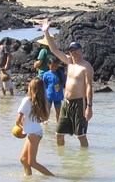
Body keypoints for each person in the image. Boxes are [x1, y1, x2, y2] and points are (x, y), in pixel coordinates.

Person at [39, 18, 94, 147]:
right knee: (58, 134)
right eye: (71, 50)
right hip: (66, 102)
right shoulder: (69, 61)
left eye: (75, 49)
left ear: (81, 50)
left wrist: (89, 107)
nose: (73, 52)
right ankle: (62, 163)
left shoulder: (86, 66)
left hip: (79, 103)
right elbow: (54, 50)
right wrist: (46, 32)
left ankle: (84, 163)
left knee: (80, 135)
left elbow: (89, 87)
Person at [16, 77, 54, 176]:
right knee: (23, 159)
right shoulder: (40, 102)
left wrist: (19, 125)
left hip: (33, 134)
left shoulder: (26, 100)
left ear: (31, 88)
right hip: (35, 132)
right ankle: (28, 180)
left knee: (32, 162)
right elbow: (44, 119)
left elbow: (18, 119)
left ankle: (53, 178)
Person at [42, 56, 66, 122]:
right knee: (47, 112)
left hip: (58, 97)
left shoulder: (61, 74)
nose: (54, 68)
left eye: (56, 66)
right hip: (48, 96)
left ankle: (58, 125)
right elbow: (44, 85)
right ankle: (45, 126)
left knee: (58, 113)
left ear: (58, 65)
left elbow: (66, 84)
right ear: (48, 65)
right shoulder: (46, 74)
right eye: (52, 66)